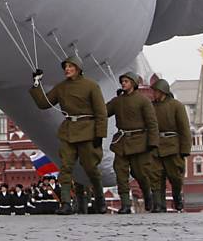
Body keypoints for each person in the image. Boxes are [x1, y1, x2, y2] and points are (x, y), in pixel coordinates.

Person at [29, 55, 108, 215]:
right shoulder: (61, 87)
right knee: (65, 167)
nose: (67, 69)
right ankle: (65, 203)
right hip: (69, 131)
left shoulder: (91, 86)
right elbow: (44, 103)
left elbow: (101, 112)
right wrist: (37, 84)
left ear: (78, 68)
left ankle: (100, 199)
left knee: (91, 168)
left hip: (87, 131)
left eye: (70, 66)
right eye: (65, 67)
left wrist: (99, 135)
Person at [106, 71, 159, 214]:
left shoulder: (143, 101)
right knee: (120, 172)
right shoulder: (117, 101)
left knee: (140, 173)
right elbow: (103, 111)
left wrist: (152, 143)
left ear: (133, 84)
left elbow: (152, 123)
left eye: (126, 81)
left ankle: (147, 193)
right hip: (122, 141)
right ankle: (125, 204)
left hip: (139, 142)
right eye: (122, 81)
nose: (123, 83)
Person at [149, 78, 192, 212]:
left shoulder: (176, 106)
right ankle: (158, 204)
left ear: (163, 92)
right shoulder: (150, 107)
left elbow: (184, 129)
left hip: (173, 147)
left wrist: (185, 149)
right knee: (155, 176)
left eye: (156, 91)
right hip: (155, 146)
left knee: (175, 176)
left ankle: (177, 196)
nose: (154, 94)